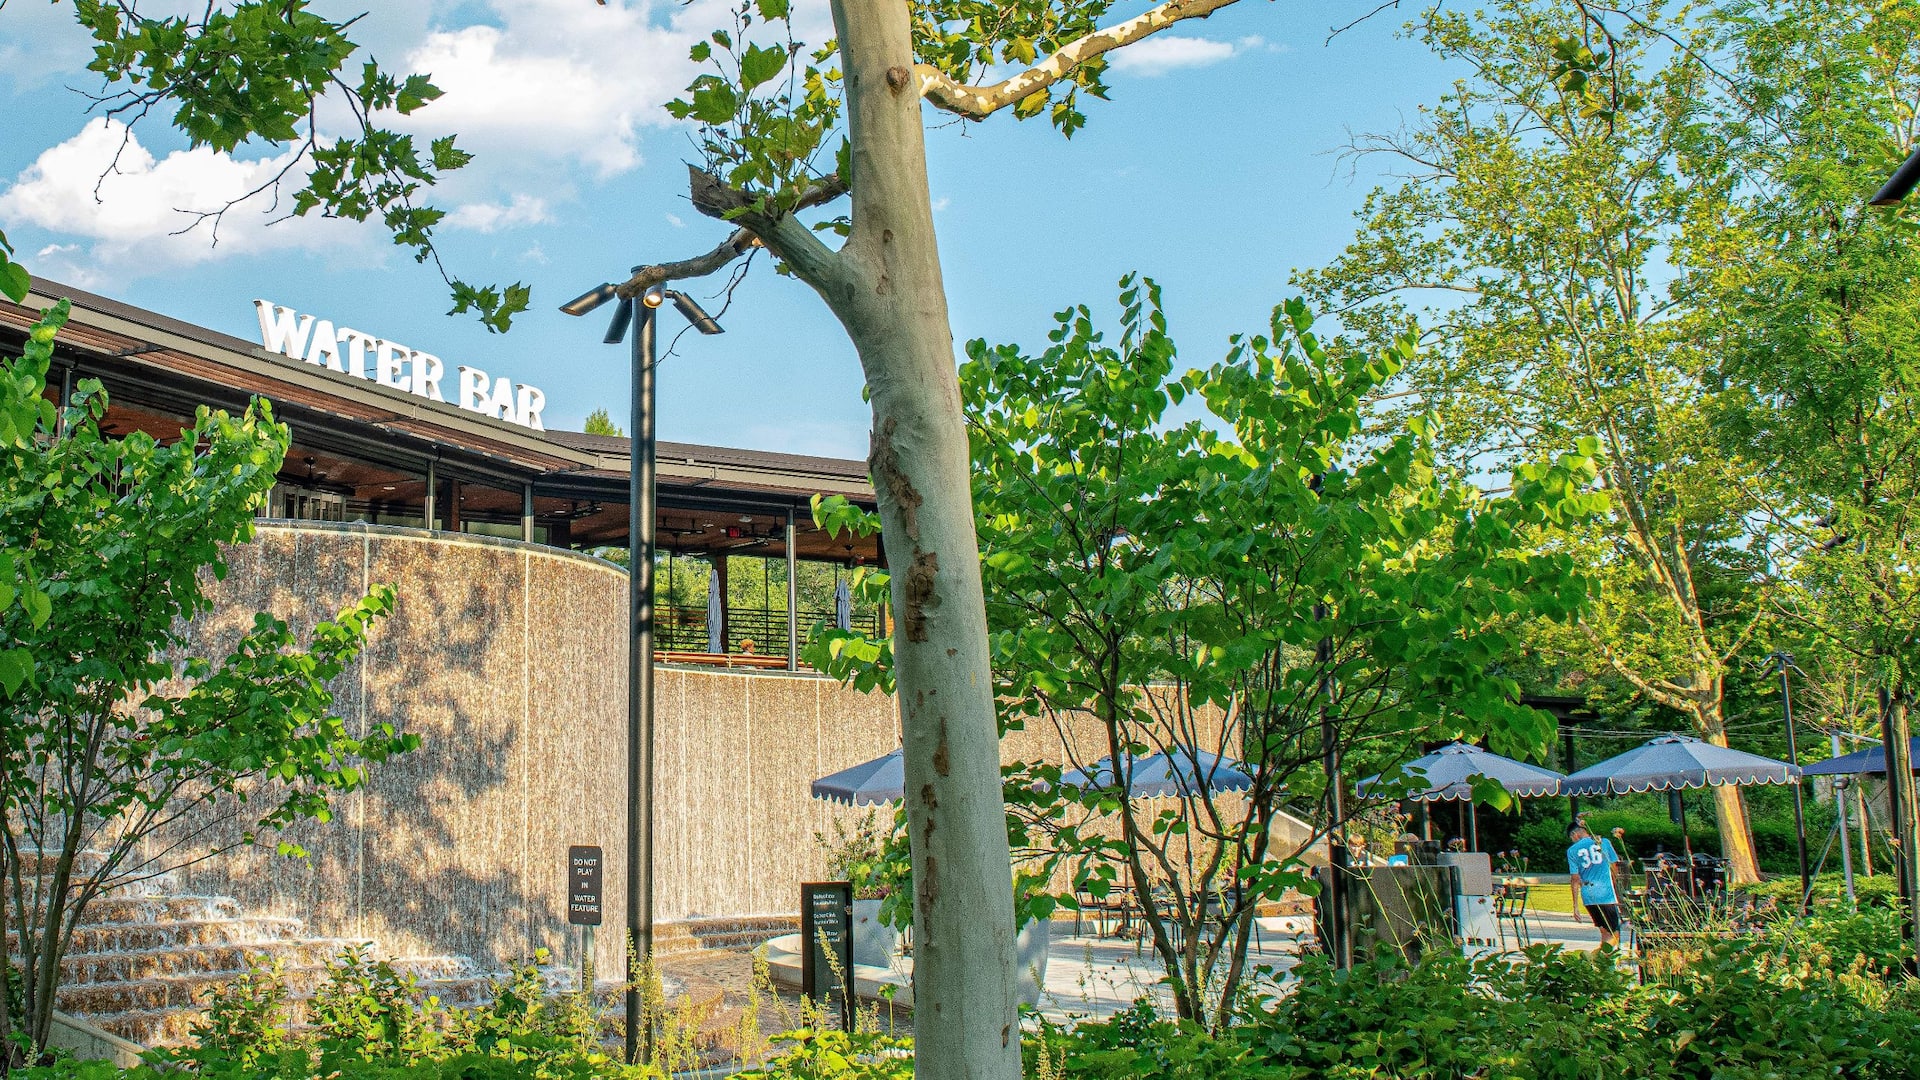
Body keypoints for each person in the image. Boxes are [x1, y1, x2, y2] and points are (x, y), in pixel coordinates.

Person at [1567, 822, 1622, 947]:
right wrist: (1613, 884)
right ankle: (1602, 960)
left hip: (1588, 895)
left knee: (1604, 932)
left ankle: (1604, 962)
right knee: (1614, 933)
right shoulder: (1604, 842)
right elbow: (1614, 866)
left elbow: (1575, 878)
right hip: (1605, 893)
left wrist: (1575, 905)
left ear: (1575, 834)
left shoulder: (1572, 851)